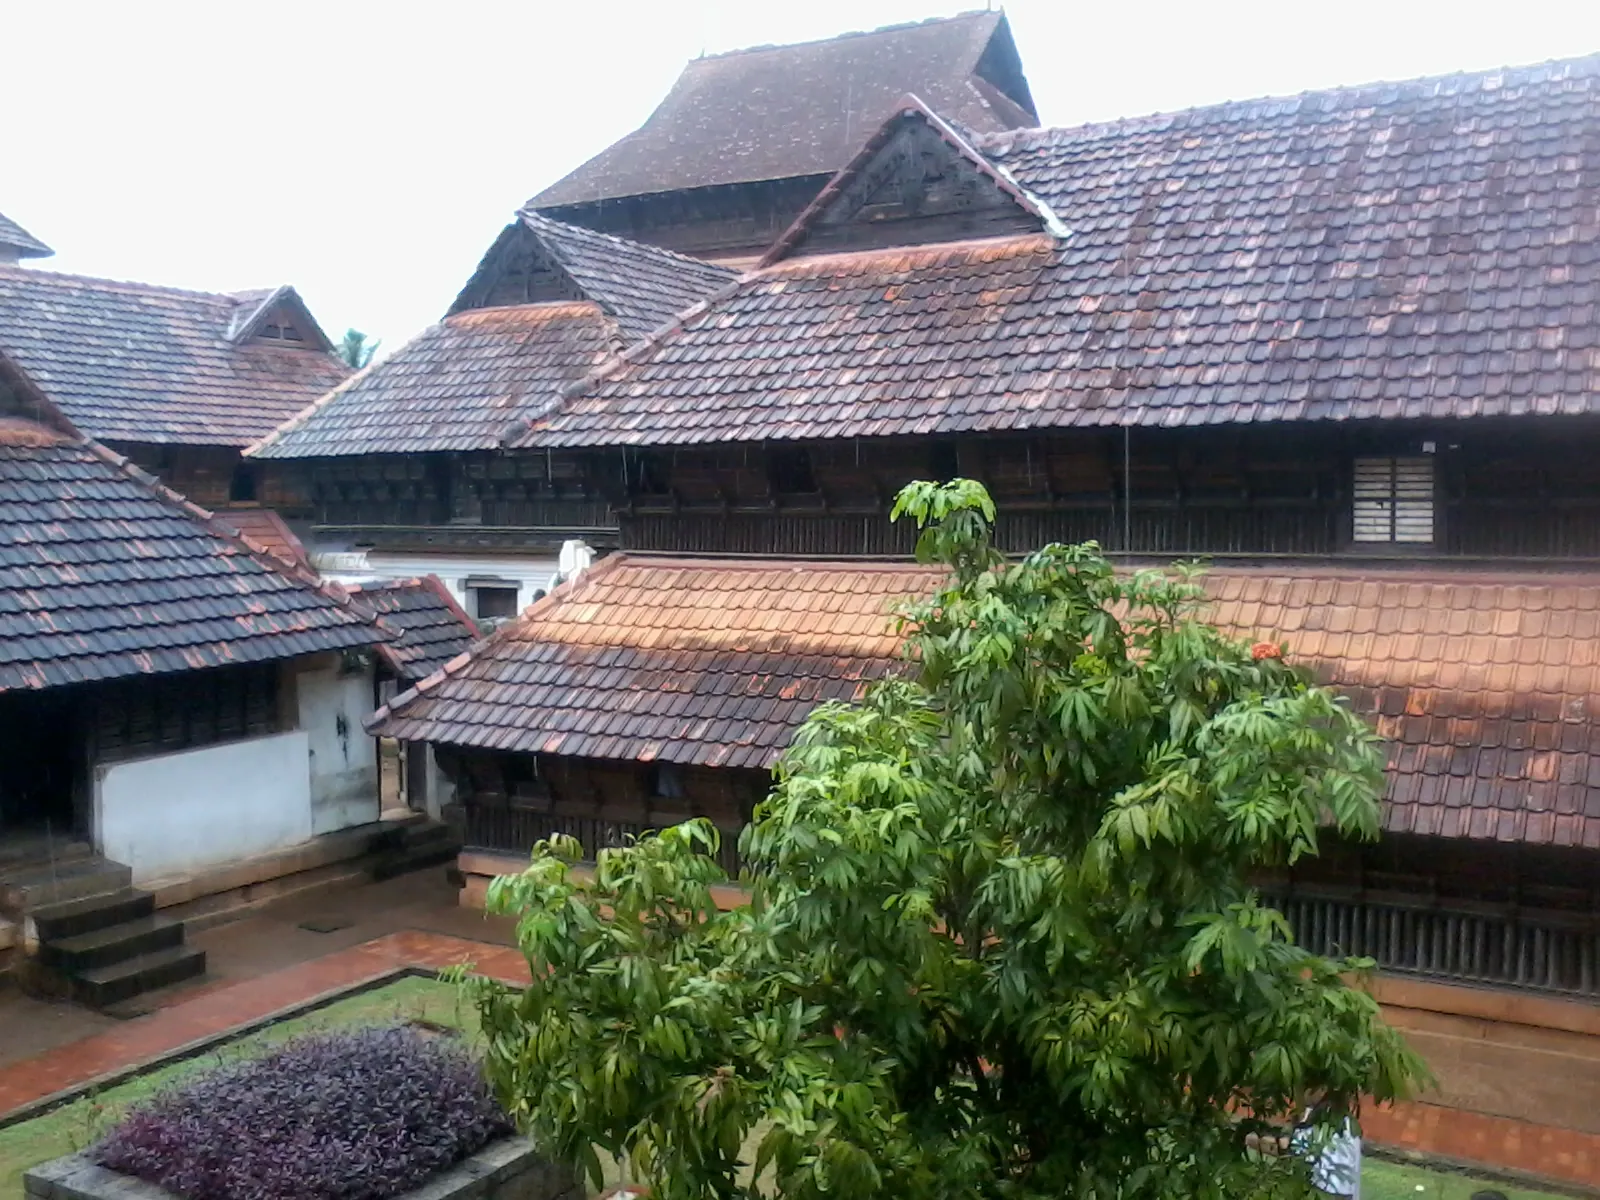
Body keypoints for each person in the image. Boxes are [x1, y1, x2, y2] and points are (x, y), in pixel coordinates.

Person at [1291, 1104, 1362, 1198]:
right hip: (1338, 1190)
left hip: (1327, 1189)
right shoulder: (1349, 1123)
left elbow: (1299, 1152)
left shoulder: (1320, 1120)